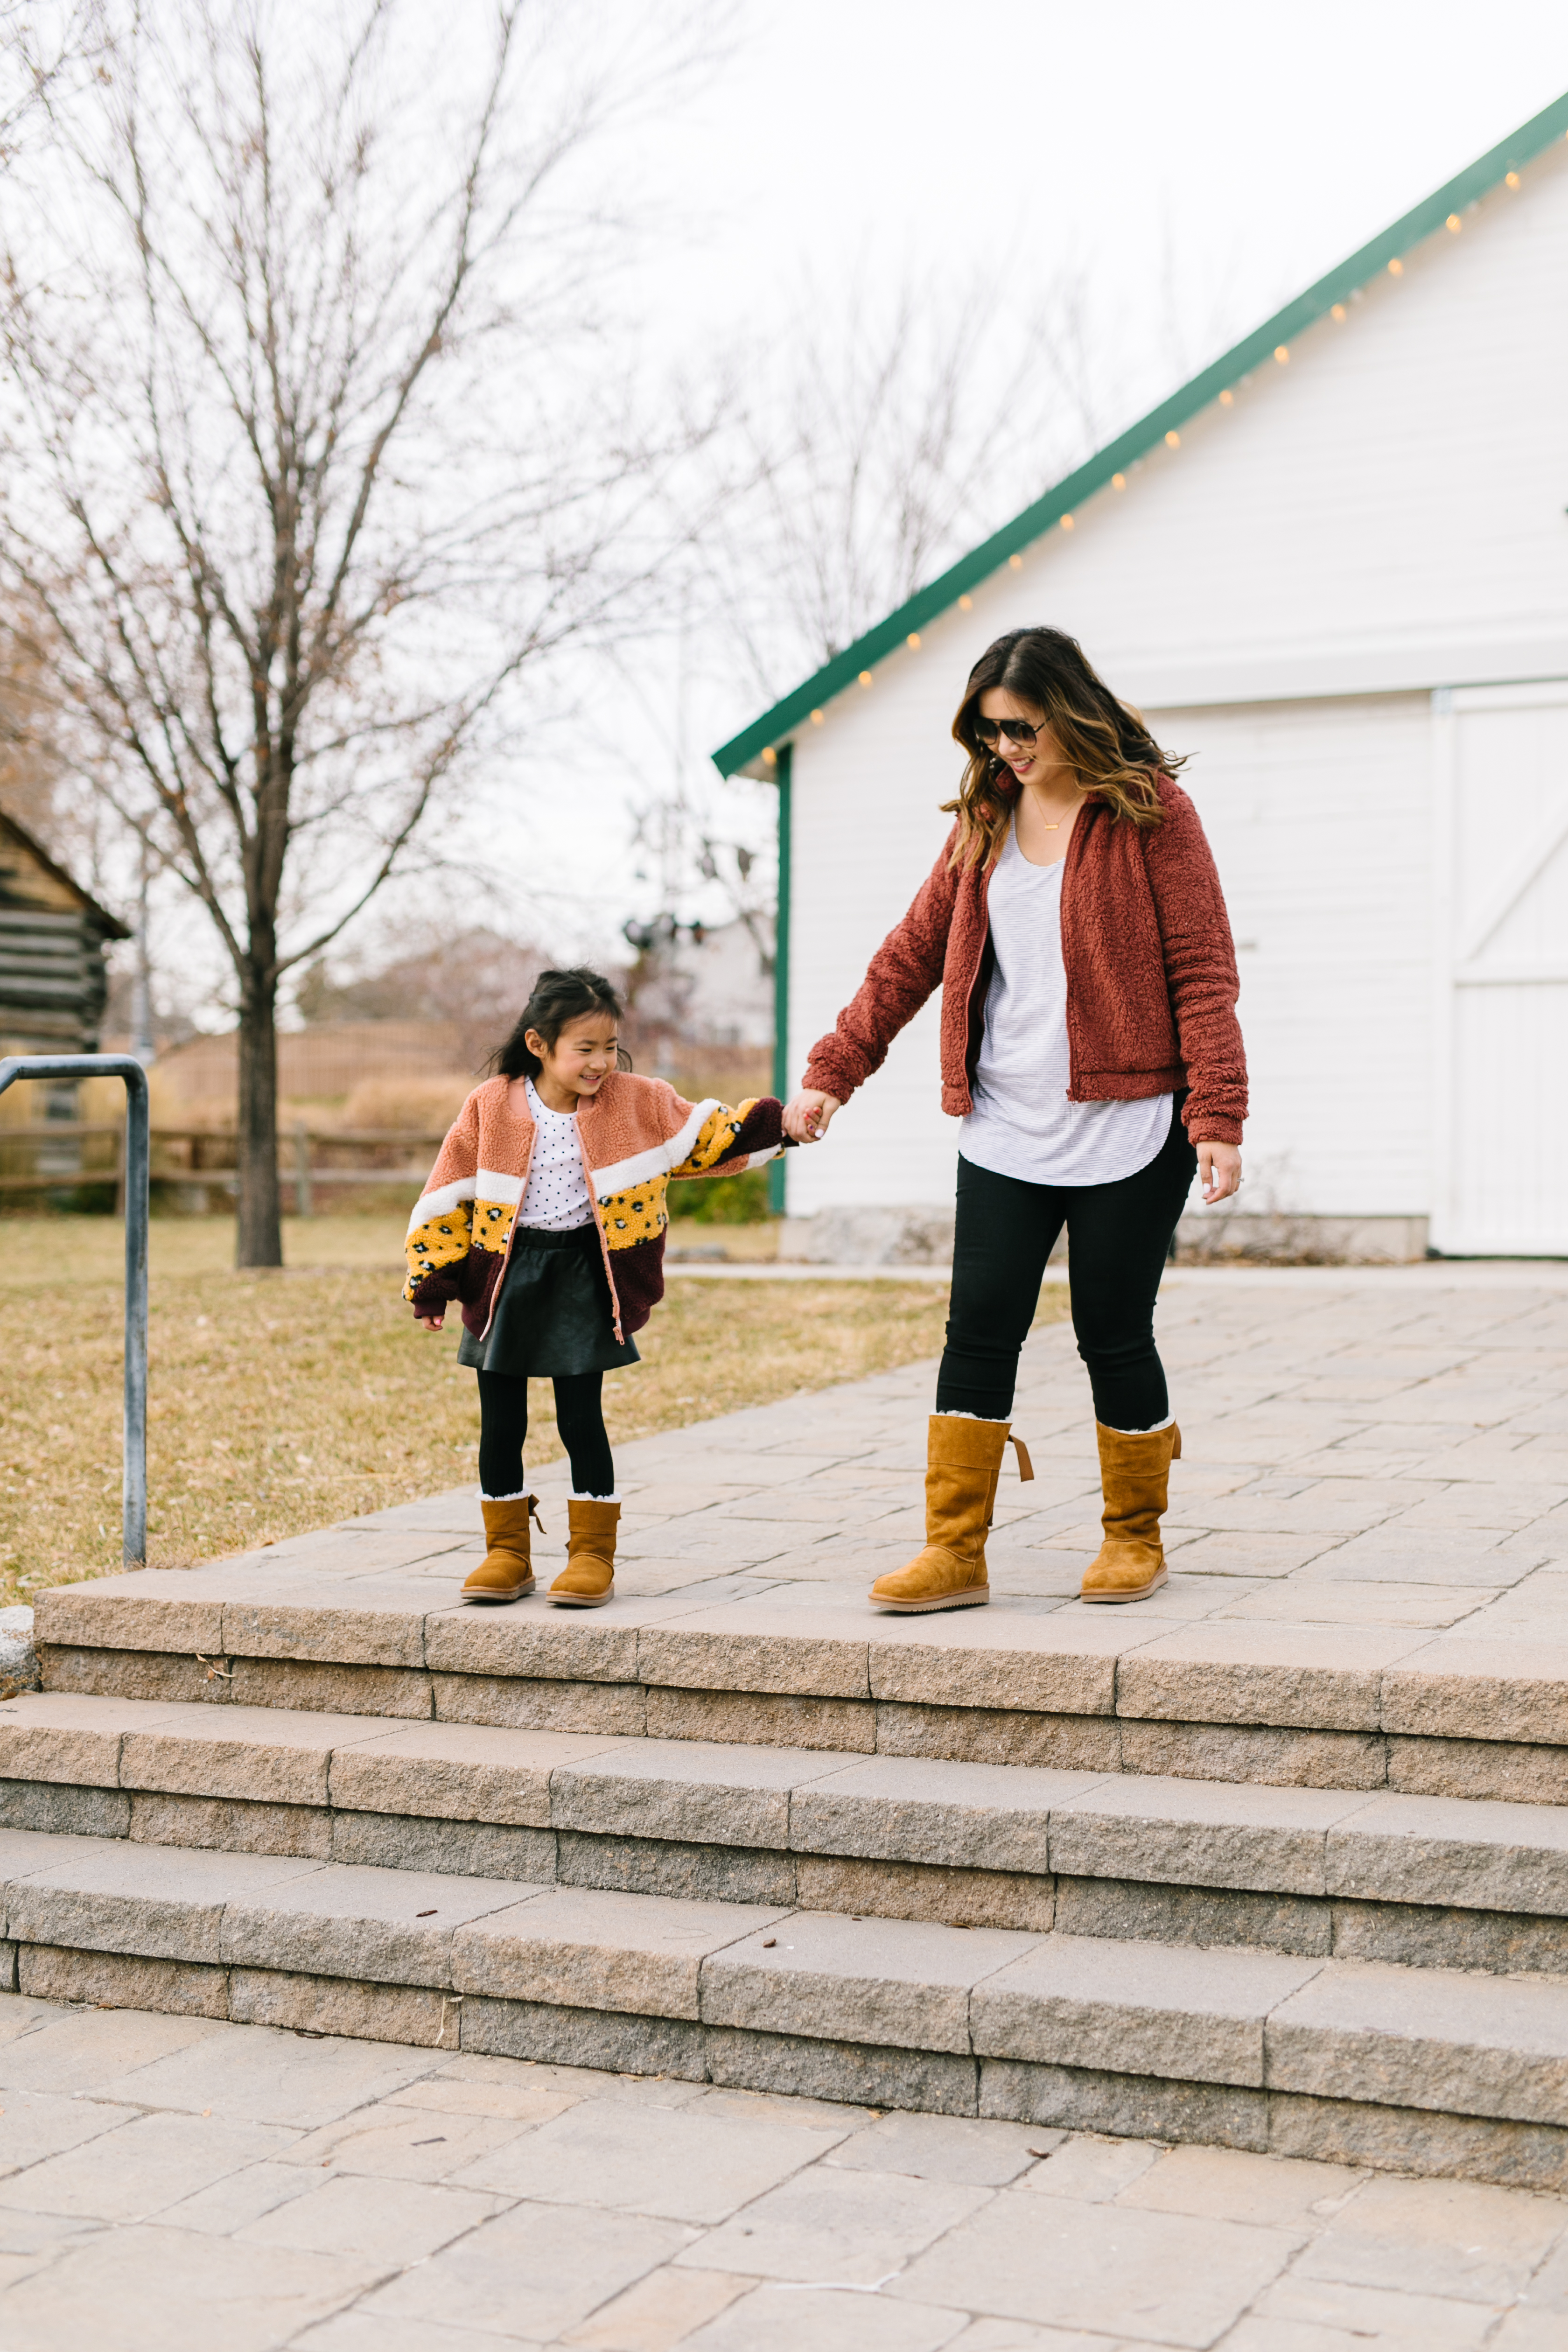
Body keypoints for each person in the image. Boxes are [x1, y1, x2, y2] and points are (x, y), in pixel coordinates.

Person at [784, 625, 1246, 1613]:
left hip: (1131, 1122)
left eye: (1022, 727)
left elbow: (1204, 969)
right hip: (1004, 1124)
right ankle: (955, 1551)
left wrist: (1218, 1112)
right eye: (990, 731)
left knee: (1112, 1333)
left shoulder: (1151, 811)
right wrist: (835, 1070)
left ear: (1069, 707)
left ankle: (1135, 1538)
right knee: (977, 1333)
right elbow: (909, 956)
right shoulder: (983, 820)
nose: (1007, 749)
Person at [406, 966, 787, 1607]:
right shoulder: (490, 1106)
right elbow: (450, 1192)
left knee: (582, 1418)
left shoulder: (637, 1101)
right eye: (584, 1049)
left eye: (609, 1047)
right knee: (501, 1420)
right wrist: (432, 1282)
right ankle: (506, 1553)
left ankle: (591, 1556)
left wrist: (784, 1125)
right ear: (539, 1045)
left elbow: (704, 1137)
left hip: (587, 1275)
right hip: (504, 1278)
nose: (601, 1062)